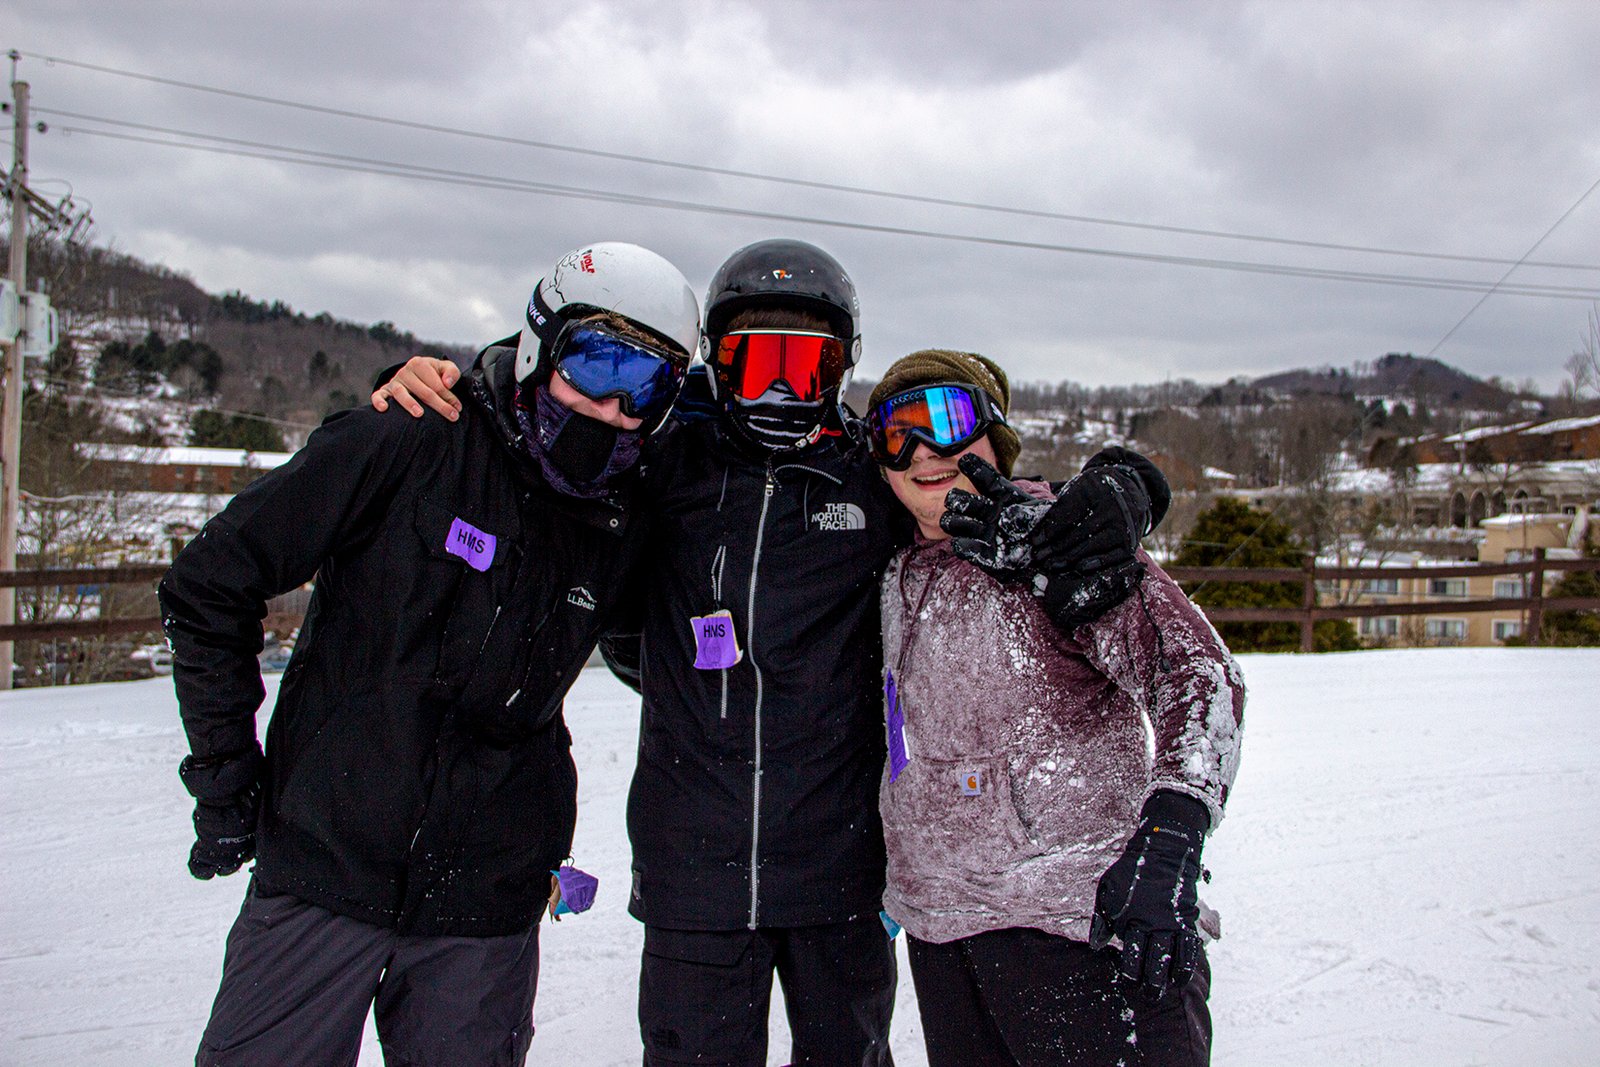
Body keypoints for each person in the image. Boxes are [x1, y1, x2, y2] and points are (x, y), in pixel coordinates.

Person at [373, 239, 1164, 1065]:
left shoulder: (871, 476)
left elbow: (984, 495)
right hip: (693, 870)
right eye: (755, 367)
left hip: (840, 868)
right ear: (716, 364)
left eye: (806, 368)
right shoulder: (663, 461)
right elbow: (550, 429)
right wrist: (467, 376)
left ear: (841, 369)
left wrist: (1129, 483)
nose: (781, 391)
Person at [161, 242, 700, 1066]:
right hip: (323, 868)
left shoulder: (624, 515)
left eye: (648, 385)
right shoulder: (413, 436)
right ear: (540, 345)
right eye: (596, 363)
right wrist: (227, 778)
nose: (614, 405)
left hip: (484, 908)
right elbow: (209, 583)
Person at [862, 349, 1246, 1066]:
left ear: (996, 437)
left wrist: (1171, 837)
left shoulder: (1060, 540)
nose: (924, 451)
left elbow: (1198, 675)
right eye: (896, 431)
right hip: (943, 935)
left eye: (948, 419)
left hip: (1082, 926)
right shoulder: (893, 568)